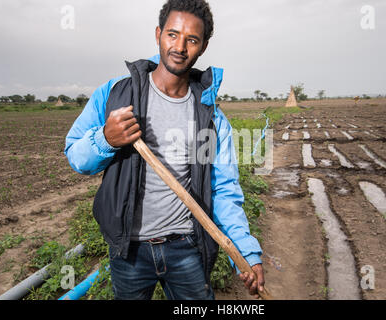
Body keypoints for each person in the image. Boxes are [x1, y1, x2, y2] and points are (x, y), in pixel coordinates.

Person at [65, 0, 265, 300]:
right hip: (128, 252)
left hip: (186, 249)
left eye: (192, 39)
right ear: (158, 33)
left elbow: (223, 188)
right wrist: (106, 139)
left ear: (203, 46)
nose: (180, 47)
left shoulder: (210, 117)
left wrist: (247, 252)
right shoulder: (115, 94)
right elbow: (76, 158)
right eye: (172, 34)